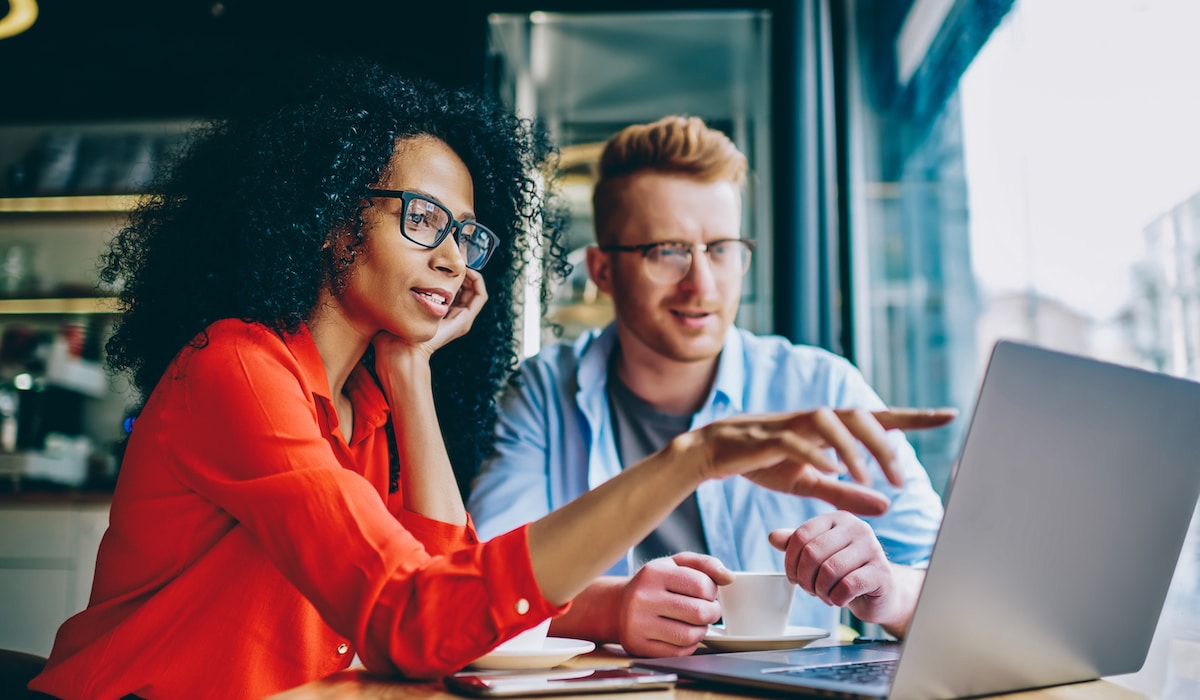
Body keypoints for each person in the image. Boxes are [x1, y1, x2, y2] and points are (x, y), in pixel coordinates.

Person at [27, 64, 950, 700]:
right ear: (327, 218)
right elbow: (416, 618)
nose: (451, 258)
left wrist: (413, 367)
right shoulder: (238, 369)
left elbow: (442, 585)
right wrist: (693, 460)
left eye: (465, 235)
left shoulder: (369, 400)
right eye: (423, 219)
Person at [468, 115, 949, 658]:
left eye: (721, 248)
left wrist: (888, 592)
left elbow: (955, 585)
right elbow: (481, 585)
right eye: (667, 251)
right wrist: (612, 607)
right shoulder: (543, 392)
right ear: (602, 271)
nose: (702, 283)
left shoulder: (821, 386)